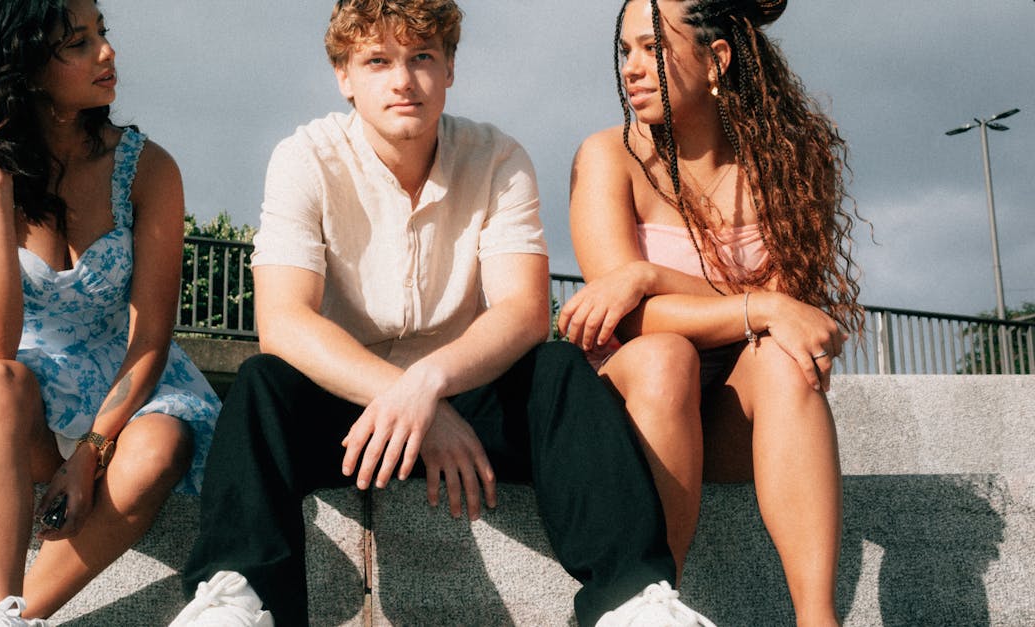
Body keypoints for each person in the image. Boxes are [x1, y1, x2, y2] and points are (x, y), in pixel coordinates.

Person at [172, 1, 714, 626]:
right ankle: (241, 598)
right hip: (350, 410)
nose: (402, 80)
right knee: (263, 385)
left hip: (465, 392)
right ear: (344, 76)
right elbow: (284, 322)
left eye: (422, 57)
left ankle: (630, 601)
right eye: (378, 61)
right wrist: (407, 400)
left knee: (558, 371)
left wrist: (430, 387)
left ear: (450, 67)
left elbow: (523, 311)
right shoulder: (305, 158)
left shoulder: (497, 158)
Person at [0, 0, 220, 623]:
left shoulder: (147, 168)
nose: (107, 52)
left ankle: (10, 620)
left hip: (119, 386)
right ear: (27, 67)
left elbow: (152, 333)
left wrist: (92, 451)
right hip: (16, 402)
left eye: (103, 32)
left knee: (164, 443)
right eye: (78, 42)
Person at [558, 1, 862, 625]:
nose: (632, 70)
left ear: (716, 59)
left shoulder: (790, 162)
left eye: (652, 49)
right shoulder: (607, 158)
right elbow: (623, 319)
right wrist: (762, 303)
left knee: (782, 357)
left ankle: (817, 618)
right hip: (632, 405)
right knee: (666, 355)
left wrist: (651, 277)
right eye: (625, 51)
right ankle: (650, 606)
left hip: (732, 417)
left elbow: (797, 326)